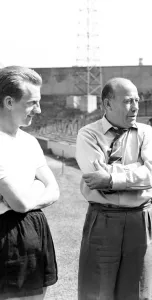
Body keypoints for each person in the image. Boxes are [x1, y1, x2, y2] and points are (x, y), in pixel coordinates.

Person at [76, 77, 152, 300]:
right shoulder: (88, 134)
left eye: (137, 100)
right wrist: (135, 171)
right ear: (107, 104)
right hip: (103, 218)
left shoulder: (147, 134)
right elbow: (94, 177)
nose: (135, 107)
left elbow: (151, 175)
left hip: (139, 218)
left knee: (136, 292)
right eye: (127, 101)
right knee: (96, 291)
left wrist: (111, 178)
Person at [0, 66, 60, 299]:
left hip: (35, 232)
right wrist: (35, 188)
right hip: (6, 238)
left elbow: (53, 190)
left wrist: (26, 196)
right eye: (31, 103)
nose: (38, 109)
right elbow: (19, 202)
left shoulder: (30, 141)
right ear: (9, 102)